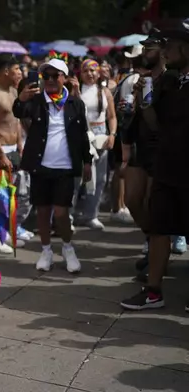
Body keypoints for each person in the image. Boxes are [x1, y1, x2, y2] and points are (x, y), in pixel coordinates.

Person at [120, 19, 189, 311]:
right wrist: (145, 105)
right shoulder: (171, 82)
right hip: (166, 166)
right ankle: (153, 291)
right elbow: (156, 125)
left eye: (171, 46)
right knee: (159, 229)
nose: (166, 51)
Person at [13, 59, 91, 273]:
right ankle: (46, 250)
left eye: (54, 76)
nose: (49, 80)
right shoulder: (36, 101)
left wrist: (88, 162)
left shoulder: (75, 103)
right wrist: (21, 98)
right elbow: (19, 112)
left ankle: (67, 248)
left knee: (61, 213)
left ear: (64, 78)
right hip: (40, 166)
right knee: (42, 212)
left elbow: (83, 135)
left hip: (66, 168)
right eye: (45, 76)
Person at [0, 54, 26, 254]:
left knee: (9, 193)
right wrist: (0, 153)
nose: (20, 73)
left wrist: (19, 144)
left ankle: (3, 231)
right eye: (17, 69)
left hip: (13, 149)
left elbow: (15, 121)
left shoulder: (13, 90)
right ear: (6, 71)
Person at [72, 59, 118, 230]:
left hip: (100, 136)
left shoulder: (105, 92)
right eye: (86, 71)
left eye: (93, 70)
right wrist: (75, 93)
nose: (90, 74)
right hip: (82, 136)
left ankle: (92, 214)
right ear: (80, 74)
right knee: (77, 178)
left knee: (99, 178)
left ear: (98, 73)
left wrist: (112, 134)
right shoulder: (75, 91)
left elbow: (112, 116)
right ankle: (70, 215)